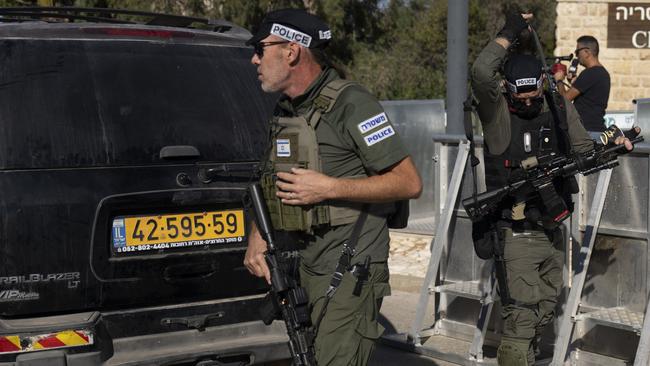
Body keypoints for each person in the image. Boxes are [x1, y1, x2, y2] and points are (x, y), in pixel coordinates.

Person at [242, 8, 422, 366]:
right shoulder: (287, 109)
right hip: (307, 263)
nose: (254, 59)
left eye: (261, 49)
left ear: (291, 51)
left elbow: (409, 182)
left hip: (351, 263)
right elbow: (270, 178)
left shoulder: (353, 104)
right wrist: (258, 236)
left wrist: (329, 188)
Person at [471, 13, 633, 365]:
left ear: (542, 84)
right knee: (520, 322)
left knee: (543, 315)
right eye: (520, 96)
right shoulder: (497, 111)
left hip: (552, 230)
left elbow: (584, 151)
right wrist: (510, 32)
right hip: (514, 232)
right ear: (507, 89)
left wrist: (616, 144)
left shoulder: (558, 104)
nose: (528, 102)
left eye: (533, 94)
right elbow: (482, 71)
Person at [554, 35, 611, 132]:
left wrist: (559, 81)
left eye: (577, 52)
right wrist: (574, 83)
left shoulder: (589, 73)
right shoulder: (603, 73)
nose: (576, 56)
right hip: (596, 128)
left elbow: (565, 100)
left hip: (586, 131)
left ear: (587, 52)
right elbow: (589, 98)